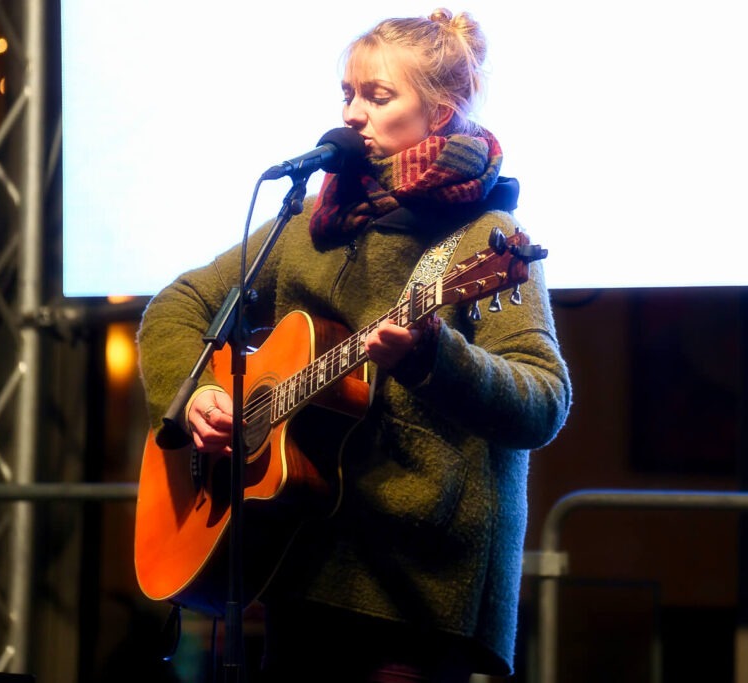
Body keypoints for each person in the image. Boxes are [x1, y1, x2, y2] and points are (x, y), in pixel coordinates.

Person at [137, 8, 571, 682]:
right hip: (304, 559)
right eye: (348, 93)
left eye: (378, 95)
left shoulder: (485, 239)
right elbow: (178, 304)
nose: (354, 115)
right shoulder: (314, 223)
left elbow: (543, 399)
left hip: (419, 587)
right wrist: (201, 390)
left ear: (438, 114)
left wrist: (434, 359)